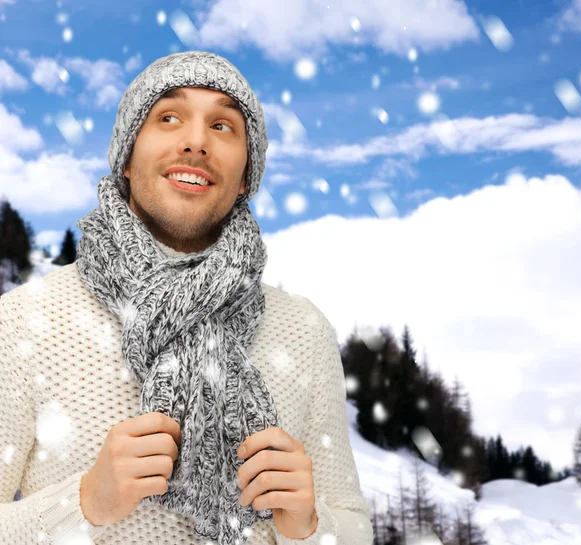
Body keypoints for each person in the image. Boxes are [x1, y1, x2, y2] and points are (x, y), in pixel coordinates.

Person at [0, 51, 374, 545]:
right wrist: (86, 502)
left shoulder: (303, 329)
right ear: (127, 159)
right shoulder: (23, 322)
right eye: (169, 117)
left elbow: (353, 528)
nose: (196, 141)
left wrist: (309, 526)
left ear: (245, 178)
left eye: (222, 126)